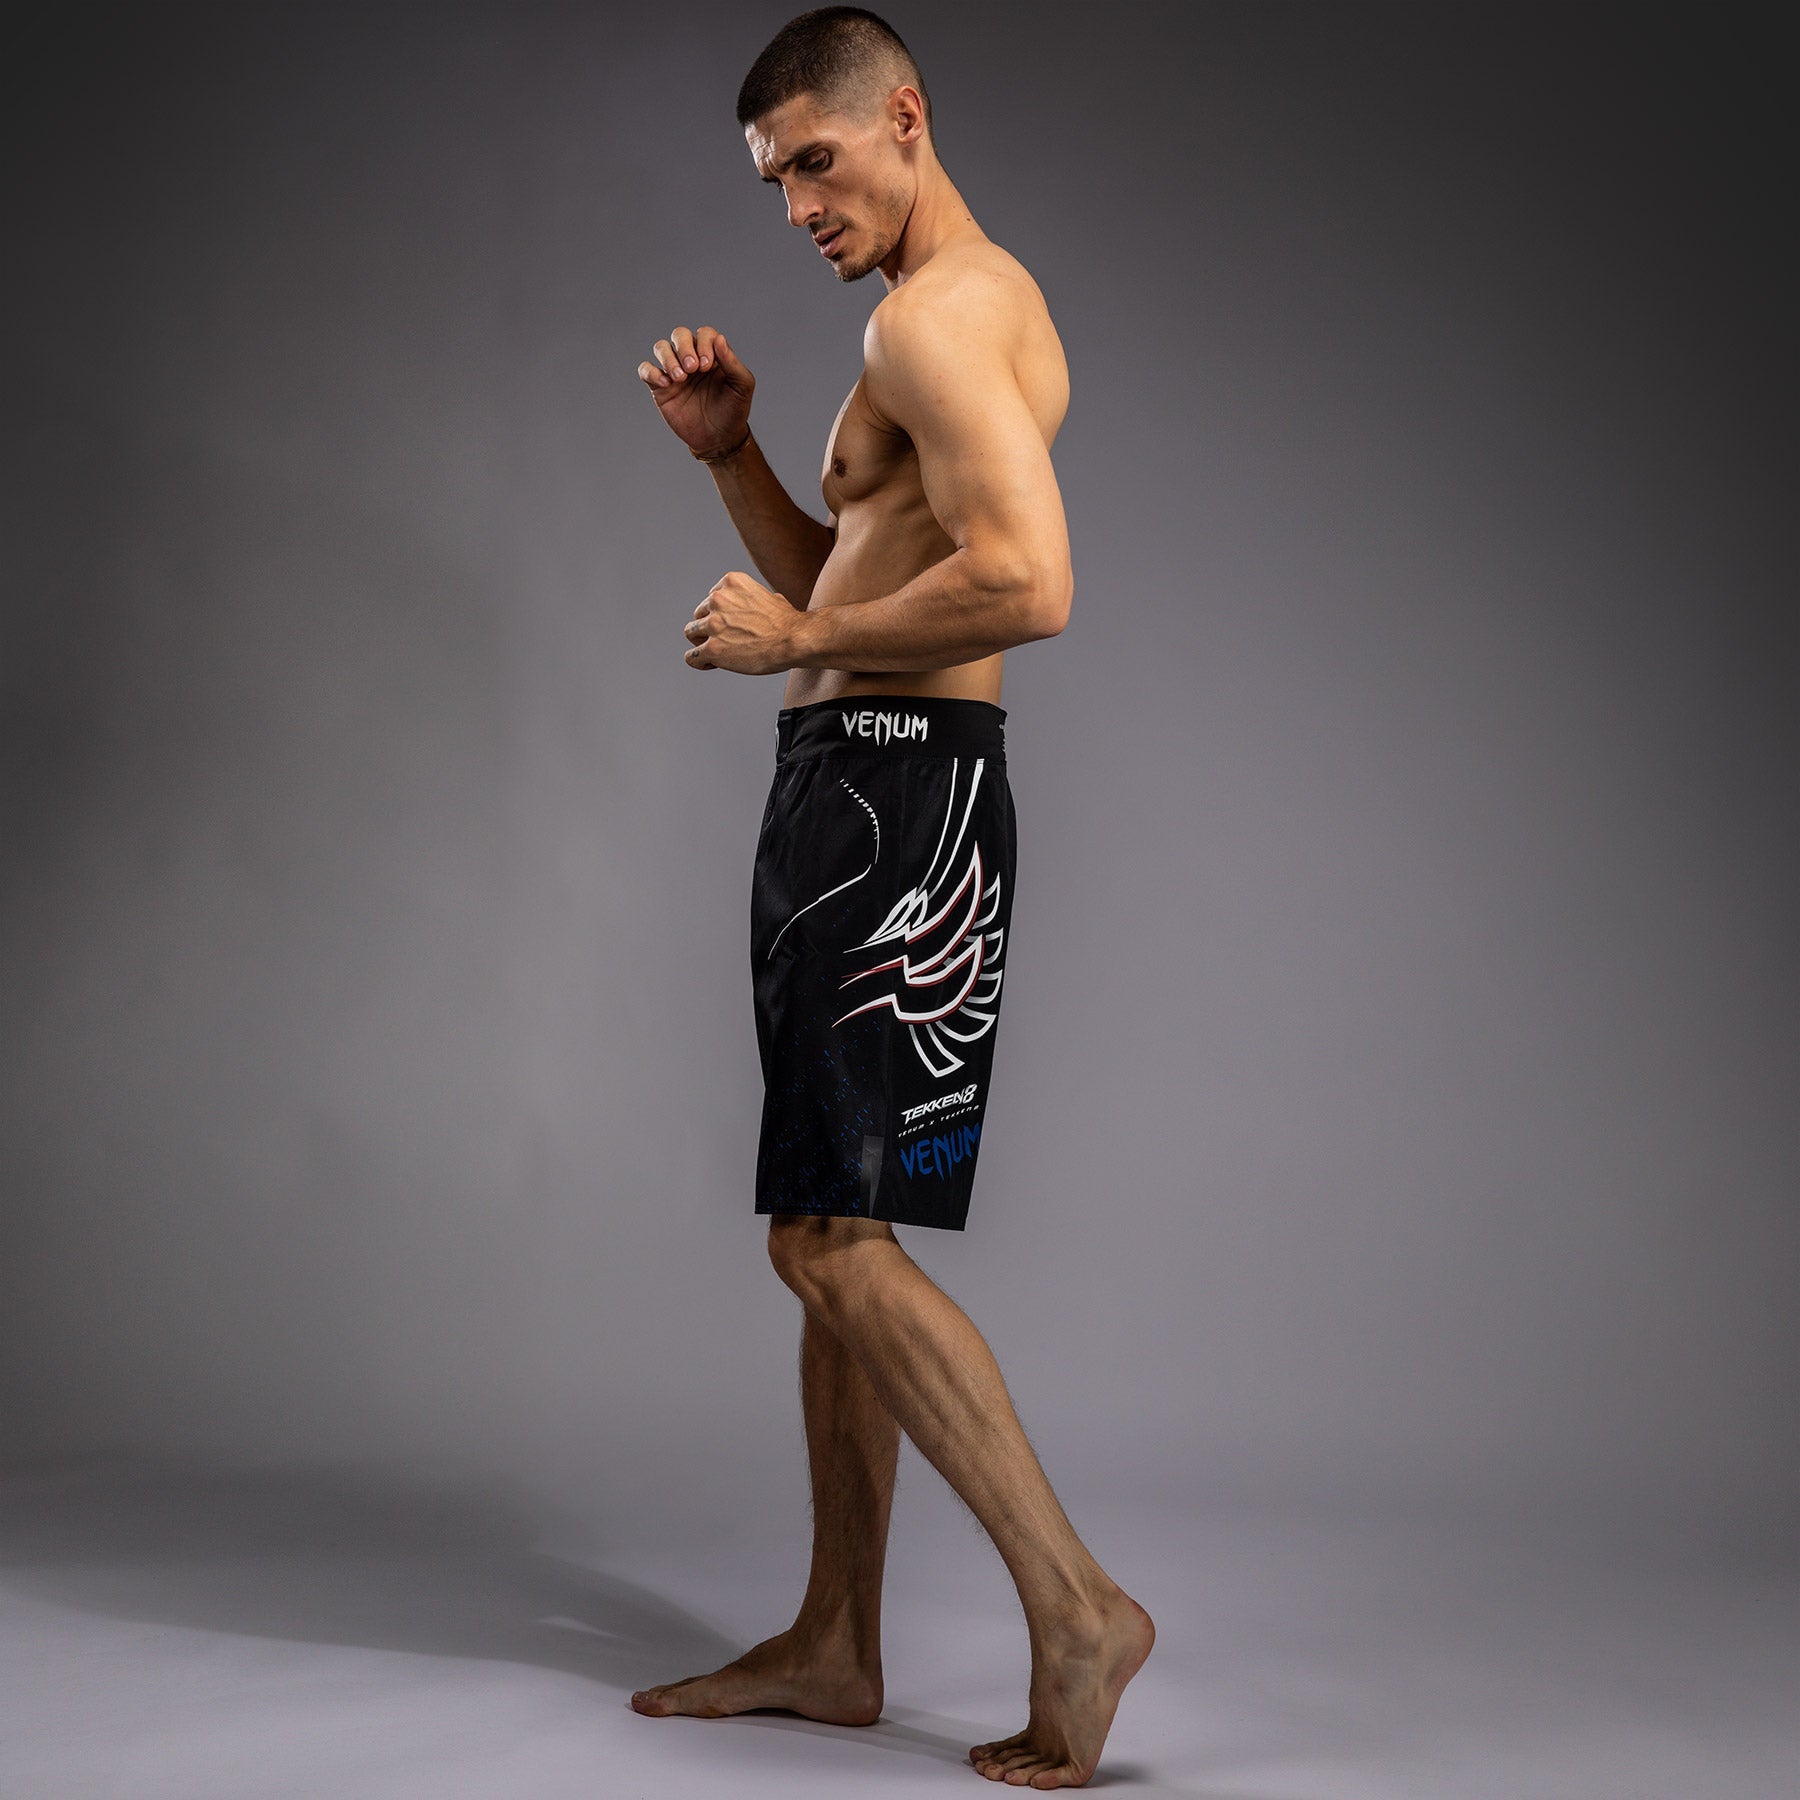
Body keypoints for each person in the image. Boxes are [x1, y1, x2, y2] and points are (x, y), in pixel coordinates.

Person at [630, 8, 1152, 1788]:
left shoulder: (936, 317)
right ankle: (839, 1639)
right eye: (774, 179)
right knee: (830, 1225)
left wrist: (807, 635)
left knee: (825, 1245)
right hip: (866, 786)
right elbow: (854, 584)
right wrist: (732, 458)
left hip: (895, 802)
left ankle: (1077, 1607)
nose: (796, 204)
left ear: (904, 115)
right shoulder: (939, 312)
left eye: (816, 160)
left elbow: (1030, 581)